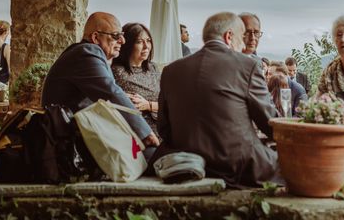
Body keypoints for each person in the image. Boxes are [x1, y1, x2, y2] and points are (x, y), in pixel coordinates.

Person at [158, 12, 280, 188]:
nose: (242, 45)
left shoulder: (171, 70)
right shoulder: (247, 66)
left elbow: (164, 128)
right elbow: (269, 123)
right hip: (237, 166)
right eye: (241, 38)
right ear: (229, 36)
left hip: (187, 162)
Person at [42, 12, 159, 153]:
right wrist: (146, 133)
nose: (122, 40)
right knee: (157, 157)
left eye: (122, 35)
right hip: (69, 142)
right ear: (96, 37)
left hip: (75, 133)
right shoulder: (87, 52)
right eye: (116, 36)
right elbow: (111, 92)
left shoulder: (82, 52)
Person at [112, 23, 161, 135]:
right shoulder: (117, 72)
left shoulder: (153, 68)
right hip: (138, 133)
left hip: (163, 128)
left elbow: (169, 103)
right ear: (128, 45)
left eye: (148, 41)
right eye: (139, 42)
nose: (146, 46)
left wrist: (149, 105)